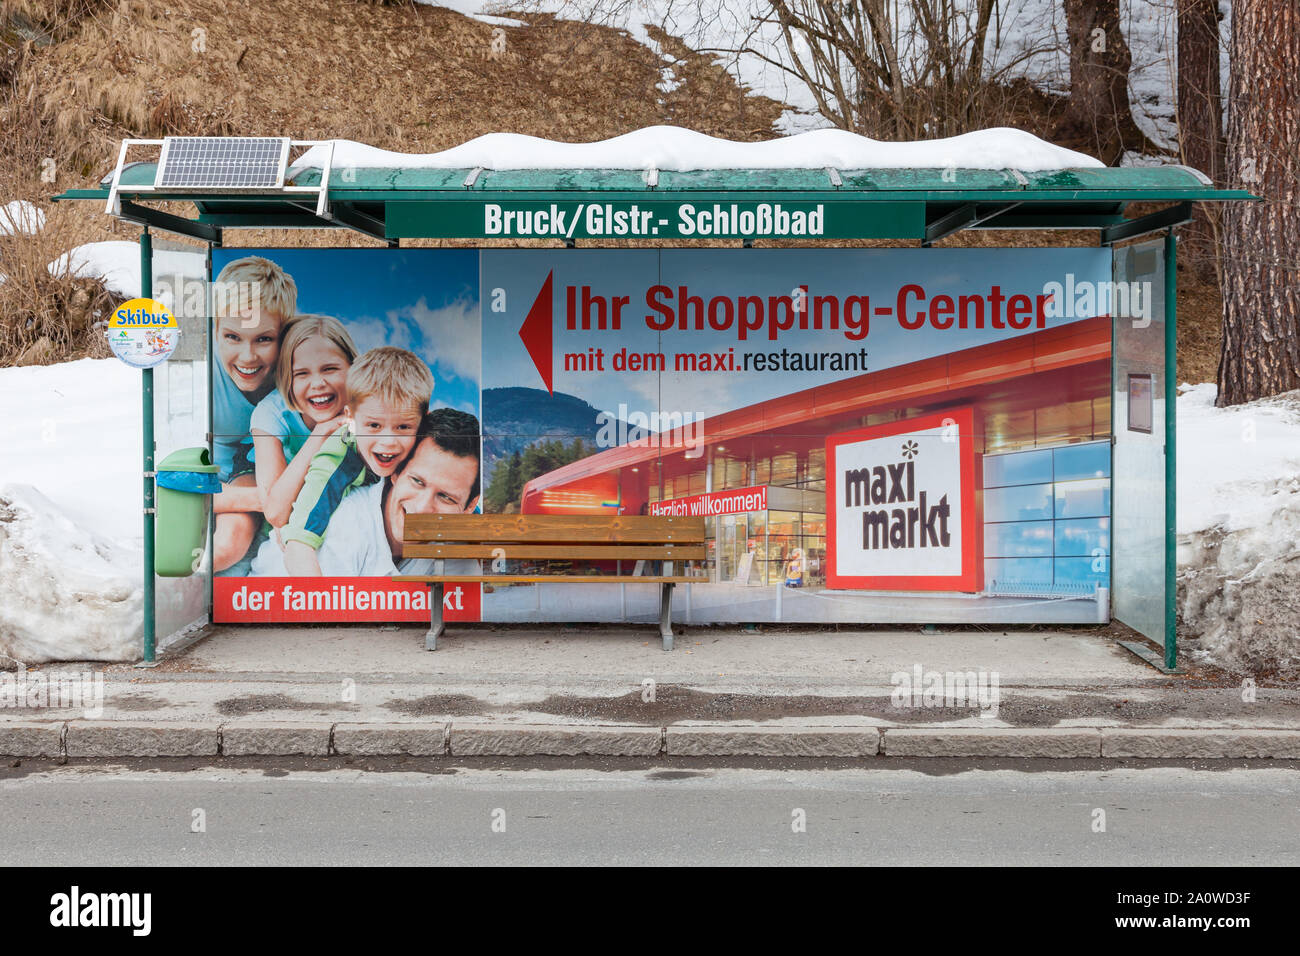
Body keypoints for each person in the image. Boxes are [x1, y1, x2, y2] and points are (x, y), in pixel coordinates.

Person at [250, 408, 481, 577]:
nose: (422, 508)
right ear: (396, 472)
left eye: (446, 497)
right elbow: (320, 629)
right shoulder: (345, 522)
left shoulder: (458, 545)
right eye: (417, 481)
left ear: (469, 506)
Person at [277, 346, 436, 576]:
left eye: (403, 427)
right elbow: (298, 544)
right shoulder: (337, 458)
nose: (388, 442)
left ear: (424, 422)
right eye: (374, 426)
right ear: (350, 416)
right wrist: (317, 605)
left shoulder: (423, 447)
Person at [210, 256, 298, 573]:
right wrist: (265, 501)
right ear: (215, 329)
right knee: (226, 548)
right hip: (225, 484)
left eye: (263, 339)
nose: (248, 357)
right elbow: (175, 493)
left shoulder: (301, 376)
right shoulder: (197, 376)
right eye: (233, 337)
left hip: (269, 480)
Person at [249, 315, 357, 529]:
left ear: (353, 368)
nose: (318, 383)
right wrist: (320, 434)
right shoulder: (271, 413)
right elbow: (276, 513)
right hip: (275, 493)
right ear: (287, 379)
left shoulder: (368, 406)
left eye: (330, 369)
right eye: (301, 373)